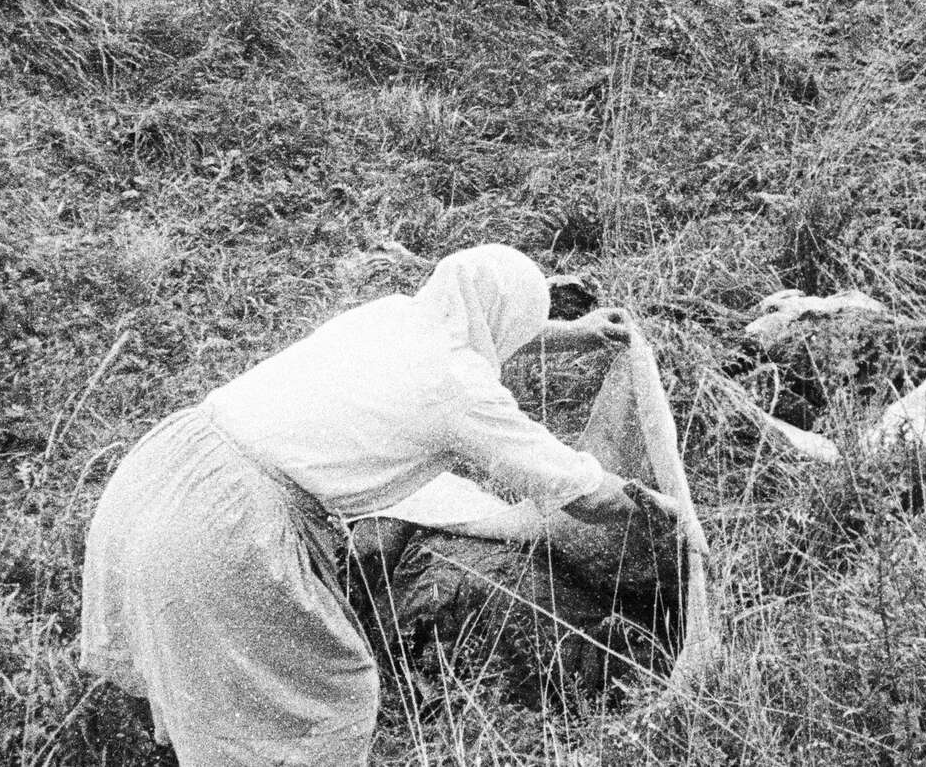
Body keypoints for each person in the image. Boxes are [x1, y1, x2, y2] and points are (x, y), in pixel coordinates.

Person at [79, 244, 651, 765]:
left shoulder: (394, 314)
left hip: (167, 468)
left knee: (201, 654)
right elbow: (580, 491)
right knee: (325, 689)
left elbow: (477, 325)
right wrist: (655, 507)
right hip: (230, 522)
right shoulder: (457, 389)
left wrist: (575, 332)